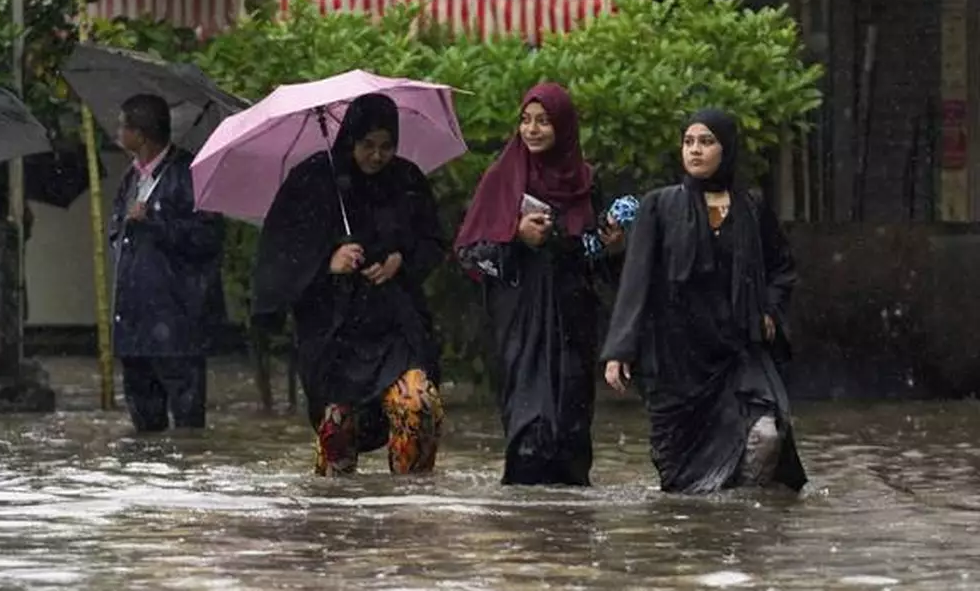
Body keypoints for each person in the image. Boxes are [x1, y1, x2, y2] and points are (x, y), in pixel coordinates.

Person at [600, 109, 807, 494]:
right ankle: (705, 521)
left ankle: (744, 513)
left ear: (726, 149)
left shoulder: (751, 208)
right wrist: (620, 351)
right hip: (678, 361)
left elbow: (782, 267)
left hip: (738, 350)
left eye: (706, 142)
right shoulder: (659, 207)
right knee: (685, 483)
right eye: (689, 142)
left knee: (766, 433)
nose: (695, 150)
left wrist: (769, 310)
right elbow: (636, 281)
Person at [252, 94, 445, 476]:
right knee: (338, 429)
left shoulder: (406, 180)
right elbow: (279, 253)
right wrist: (327, 262)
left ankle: (411, 503)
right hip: (333, 331)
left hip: (395, 322)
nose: (377, 156)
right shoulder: (312, 180)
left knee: (417, 403)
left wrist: (400, 260)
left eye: (387, 146)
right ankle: (337, 508)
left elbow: (433, 241)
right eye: (367, 145)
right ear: (351, 139)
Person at [455, 83, 625, 486]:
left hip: (573, 320)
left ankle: (564, 524)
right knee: (529, 434)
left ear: (563, 127)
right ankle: (524, 520)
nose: (532, 130)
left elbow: (594, 256)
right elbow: (469, 253)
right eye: (526, 120)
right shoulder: (502, 178)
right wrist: (516, 236)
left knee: (569, 433)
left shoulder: (586, 181)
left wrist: (612, 246)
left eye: (543, 121)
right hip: (520, 319)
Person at [109, 93, 225, 432]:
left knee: (187, 425)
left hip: (178, 325)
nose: (118, 133)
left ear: (140, 134)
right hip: (134, 323)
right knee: (144, 426)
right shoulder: (131, 178)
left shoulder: (188, 175)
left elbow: (208, 238)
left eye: (123, 126)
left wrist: (155, 222)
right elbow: (117, 231)